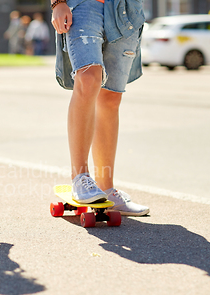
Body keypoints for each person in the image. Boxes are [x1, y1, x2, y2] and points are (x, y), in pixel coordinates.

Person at [51, 0, 149, 216]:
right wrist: (57, 2)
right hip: (83, 5)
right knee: (88, 78)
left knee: (111, 98)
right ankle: (80, 177)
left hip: (126, 8)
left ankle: (106, 187)